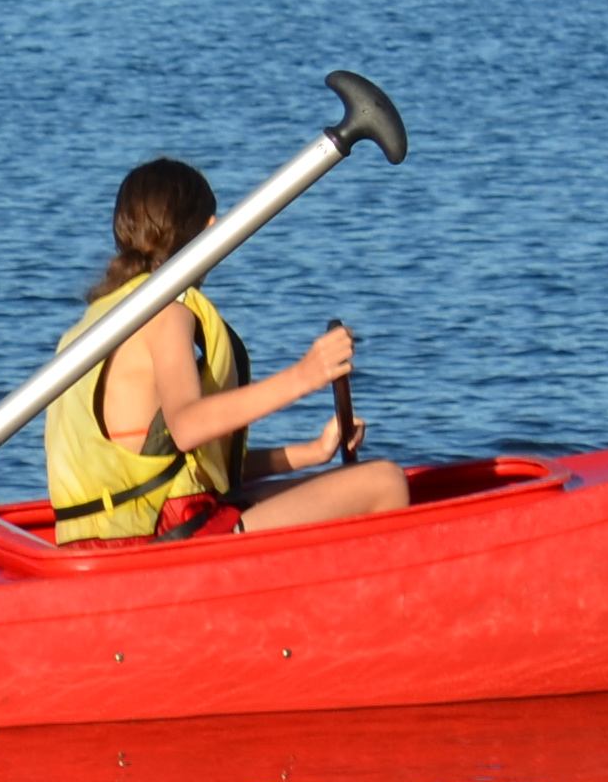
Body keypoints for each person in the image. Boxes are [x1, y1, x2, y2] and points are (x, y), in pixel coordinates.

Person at [37, 159, 408, 545]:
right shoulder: (165, 315)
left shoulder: (93, 323)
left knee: (328, 484)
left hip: (110, 540)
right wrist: (304, 376)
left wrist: (313, 452)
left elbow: (193, 471)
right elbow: (187, 428)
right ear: (210, 229)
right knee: (384, 482)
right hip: (159, 541)